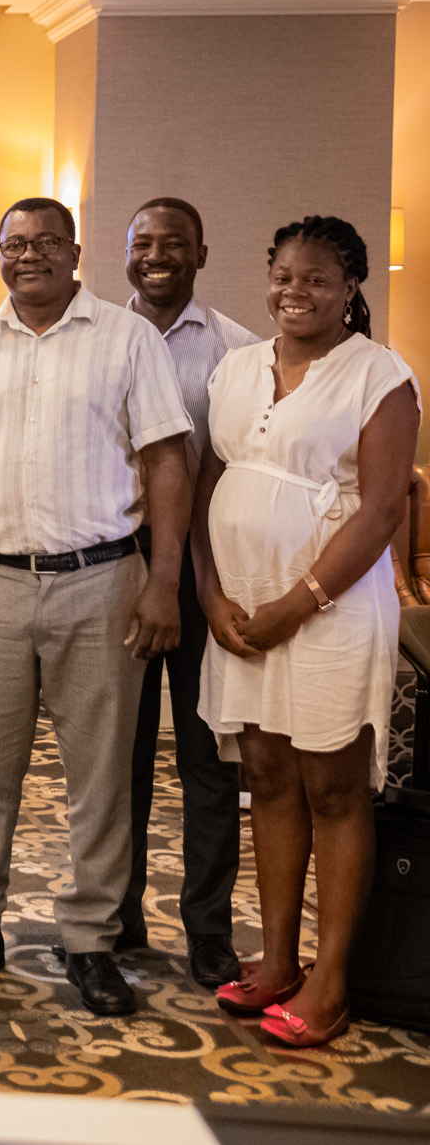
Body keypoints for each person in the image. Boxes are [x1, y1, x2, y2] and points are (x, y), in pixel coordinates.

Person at [0, 198, 193, 1017]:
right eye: (13, 244)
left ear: (74, 252)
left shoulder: (126, 338)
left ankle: (93, 937)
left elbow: (168, 461)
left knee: (98, 776)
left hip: (101, 581)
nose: (29, 256)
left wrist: (163, 580)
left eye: (44, 243)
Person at [195, 216, 418, 1047]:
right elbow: (212, 480)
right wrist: (211, 593)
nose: (297, 290)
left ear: (351, 286)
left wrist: (301, 598)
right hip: (243, 608)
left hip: (330, 605)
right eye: (284, 273)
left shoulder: (379, 376)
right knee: (266, 772)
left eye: (317, 277)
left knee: (332, 785)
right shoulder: (237, 367)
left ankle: (331, 978)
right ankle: (279, 956)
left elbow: (385, 505)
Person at [117, 197, 256, 988]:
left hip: (207, 570)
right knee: (121, 757)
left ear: (203, 253)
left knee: (208, 762)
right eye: (143, 243)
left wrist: (190, 577)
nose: (157, 254)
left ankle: (208, 930)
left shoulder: (238, 351)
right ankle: (119, 912)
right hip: (114, 562)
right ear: (123, 253)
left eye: (174, 243)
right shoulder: (99, 335)